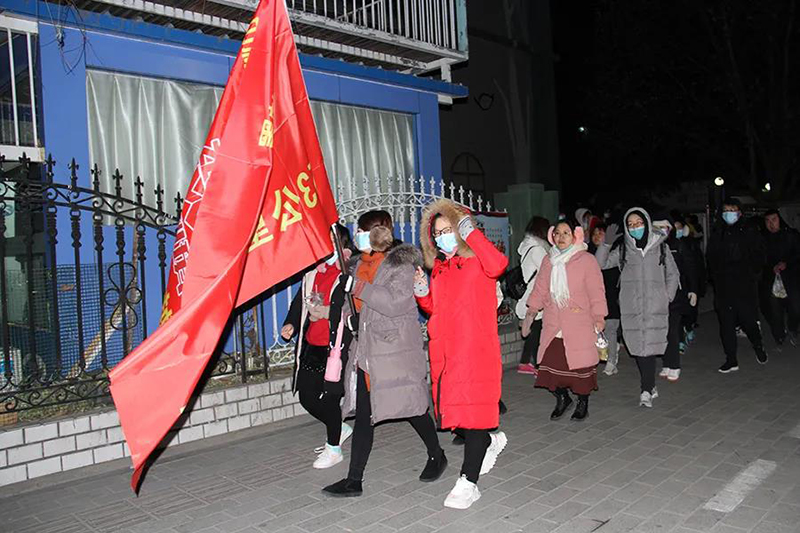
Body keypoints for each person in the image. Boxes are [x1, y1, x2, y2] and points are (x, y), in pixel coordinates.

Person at [322, 211, 446, 498]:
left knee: (412, 408)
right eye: (358, 231)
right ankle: (354, 480)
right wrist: (349, 317)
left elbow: (394, 303)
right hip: (367, 350)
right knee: (366, 413)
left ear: (380, 232)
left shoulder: (400, 263)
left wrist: (359, 288)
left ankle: (436, 454)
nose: (358, 235)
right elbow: (352, 303)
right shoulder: (357, 265)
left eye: (364, 231)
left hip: (394, 350)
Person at [414, 199, 509, 510]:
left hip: (476, 350)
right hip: (447, 352)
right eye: (437, 233)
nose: (443, 237)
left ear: (461, 229)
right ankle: (491, 441)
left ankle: (468, 482)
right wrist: (422, 292)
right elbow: (435, 308)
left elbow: (498, 264)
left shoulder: (479, 259)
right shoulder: (441, 268)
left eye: (448, 230)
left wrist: (471, 233)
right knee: (459, 418)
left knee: (474, 414)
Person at [281, 224, 356, 469]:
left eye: (332, 242)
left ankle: (334, 449)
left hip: (336, 347)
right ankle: (339, 428)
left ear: (343, 244)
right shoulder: (314, 273)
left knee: (331, 398)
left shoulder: (349, 273)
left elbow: (352, 309)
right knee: (307, 397)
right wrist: (291, 324)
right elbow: (299, 303)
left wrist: (328, 312)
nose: (327, 247)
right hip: (313, 345)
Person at [597, 208, 679, 408]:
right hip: (632, 307)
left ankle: (646, 389)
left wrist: (666, 296)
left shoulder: (661, 247)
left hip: (655, 307)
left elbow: (673, 274)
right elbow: (600, 264)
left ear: (647, 223)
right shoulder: (624, 250)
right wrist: (606, 244)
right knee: (639, 349)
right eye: (630, 224)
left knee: (648, 349)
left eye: (638, 223)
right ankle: (650, 386)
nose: (635, 227)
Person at [526, 219, 606, 422]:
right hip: (554, 322)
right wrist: (531, 311)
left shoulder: (586, 260)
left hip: (579, 322)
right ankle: (563, 398)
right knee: (550, 366)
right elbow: (540, 288)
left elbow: (596, 291)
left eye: (566, 233)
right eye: (557, 233)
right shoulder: (548, 260)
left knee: (580, 368)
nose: (560, 237)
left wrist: (598, 316)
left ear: (575, 235)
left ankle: (582, 402)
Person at [707, 199, 767, 373]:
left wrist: (753, 273)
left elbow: (759, 255)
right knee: (726, 324)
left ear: (740, 212)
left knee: (748, 321)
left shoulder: (749, 231)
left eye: (732, 210)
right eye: (726, 210)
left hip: (744, 285)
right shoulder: (718, 232)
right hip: (724, 286)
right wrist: (715, 276)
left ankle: (758, 345)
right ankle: (731, 359)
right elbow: (711, 256)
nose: (729, 213)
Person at [654, 218, 699, 382]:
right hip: (657, 295)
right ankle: (667, 363)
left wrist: (693, 289)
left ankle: (674, 364)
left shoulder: (678, 245)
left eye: (664, 227)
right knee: (663, 331)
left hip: (676, 295)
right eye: (657, 227)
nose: (661, 231)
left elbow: (690, 267)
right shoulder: (652, 247)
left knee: (672, 330)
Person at [515, 216, 550, 375]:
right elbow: (548, 271)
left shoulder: (527, 246)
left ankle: (524, 362)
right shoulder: (537, 249)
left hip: (530, 294)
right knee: (537, 333)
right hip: (536, 295)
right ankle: (537, 366)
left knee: (532, 331)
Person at [760, 209, 800, 347]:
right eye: (767, 221)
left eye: (774, 220)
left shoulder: (791, 235)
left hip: (791, 278)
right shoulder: (762, 238)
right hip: (771, 280)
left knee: (795, 307)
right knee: (774, 310)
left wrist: (786, 263)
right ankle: (779, 335)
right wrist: (771, 267)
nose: (771, 224)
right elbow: (759, 259)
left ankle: (793, 328)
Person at [588, 224, 622, 376]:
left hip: (611, 299)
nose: (597, 236)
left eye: (600, 233)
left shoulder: (616, 253)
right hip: (593, 300)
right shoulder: (587, 253)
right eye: (594, 233)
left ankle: (611, 361)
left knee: (610, 330)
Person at [675, 217, 705, 343]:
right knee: (677, 315)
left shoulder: (690, 244)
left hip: (688, 284)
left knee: (689, 310)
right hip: (676, 285)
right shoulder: (668, 245)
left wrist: (696, 287)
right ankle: (680, 339)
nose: (677, 231)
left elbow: (696, 266)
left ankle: (689, 327)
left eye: (679, 228)